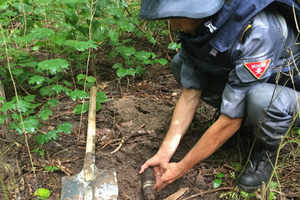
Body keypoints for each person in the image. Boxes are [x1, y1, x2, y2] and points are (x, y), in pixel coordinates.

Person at [138, 0, 300, 193]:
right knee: (179, 64)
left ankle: (267, 148)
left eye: (175, 17)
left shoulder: (257, 30)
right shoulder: (199, 28)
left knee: (261, 99)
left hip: (287, 93)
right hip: (248, 85)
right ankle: (239, 126)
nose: (173, 25)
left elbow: (231, 120)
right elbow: (190, 94)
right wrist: (164, 153)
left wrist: (181, 168)